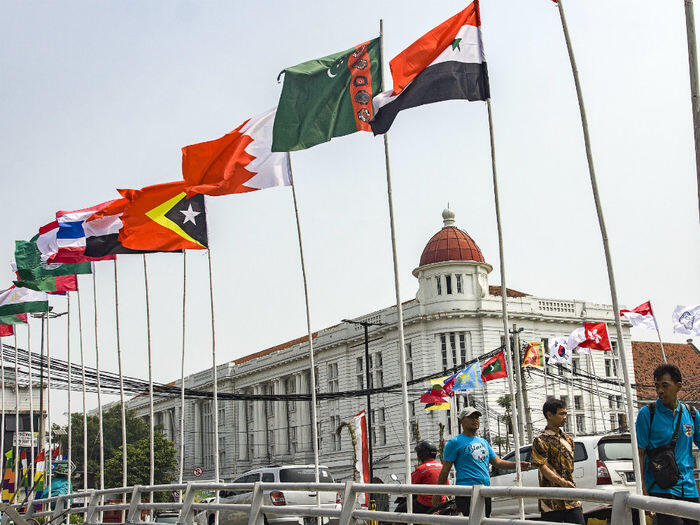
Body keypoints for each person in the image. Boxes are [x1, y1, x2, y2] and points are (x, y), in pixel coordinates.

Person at [432, 407, 530, 517]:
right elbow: (445, 470)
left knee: (485, 520)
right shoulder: (454, 442)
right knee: (474, 520)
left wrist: (517, 465)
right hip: (466, 491)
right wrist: (438, 492)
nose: (475, 420)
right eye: (471, 417)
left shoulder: (483, 441)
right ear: (462, 421)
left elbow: (497, 462)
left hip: (485, 489)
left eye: (477, 417)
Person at [635, 364, 700, 525]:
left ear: (678, 386)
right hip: (661, 487)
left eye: (665, 385)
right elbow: (639, 453)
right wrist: (642, 488)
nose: (660, 391)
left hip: (689, 487)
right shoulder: (647, 414)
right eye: (657, 386)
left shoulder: (691, 414)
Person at [531, 398, 584, 524]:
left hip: (571, 498)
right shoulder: (540, 440)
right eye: (561, 414)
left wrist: (567, 484)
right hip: (551, 502)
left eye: (565, 413)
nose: (565, 417)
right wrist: (561, 482)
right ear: (549, 415)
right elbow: (542, 467)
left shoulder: (569, 440)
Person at [394, 440, 444, 514]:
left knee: (399, 510)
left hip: (426, 504)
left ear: (421, 454)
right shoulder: (441, 466)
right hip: (441, 502)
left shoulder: (422, 468)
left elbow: (410, 485)